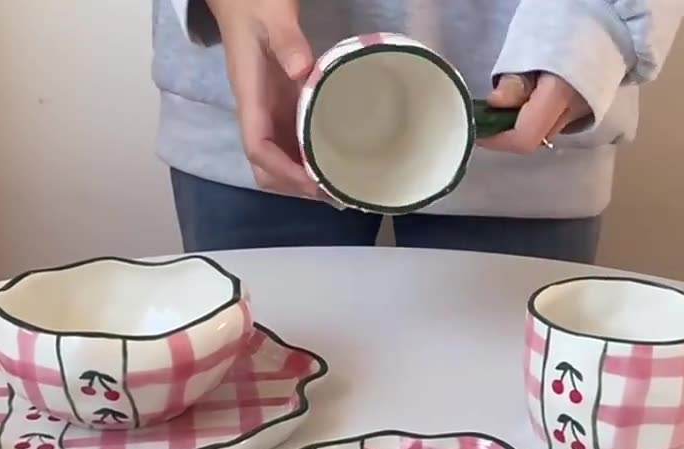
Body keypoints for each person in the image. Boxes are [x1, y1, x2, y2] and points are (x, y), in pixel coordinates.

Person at [152, 1, 682, 263]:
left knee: (504, 420)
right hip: (259, 110)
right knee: (249, 399)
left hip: (533, 109)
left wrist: (595, 27)